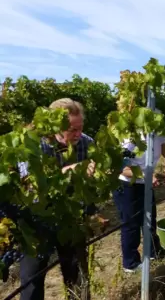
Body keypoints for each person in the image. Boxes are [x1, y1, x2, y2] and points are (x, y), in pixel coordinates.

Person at [17, 98, 97, 300]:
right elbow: (30, 188)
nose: (78, 134)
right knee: (32, 280)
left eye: (80, 128)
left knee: (77, 273)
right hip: (36, 220)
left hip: (71, 218)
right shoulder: (33, 146)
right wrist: (67, 172)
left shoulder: (86, 143)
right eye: (72, 130)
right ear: (55, 127)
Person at [114, 117, 165, 273]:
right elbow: (120, 167)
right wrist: (145, 175)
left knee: (150, 219)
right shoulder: (128, 135)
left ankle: (154, 252)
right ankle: (131, 264)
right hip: (127, 184)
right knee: (131, 224)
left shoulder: (159, 129)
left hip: (145, 182)